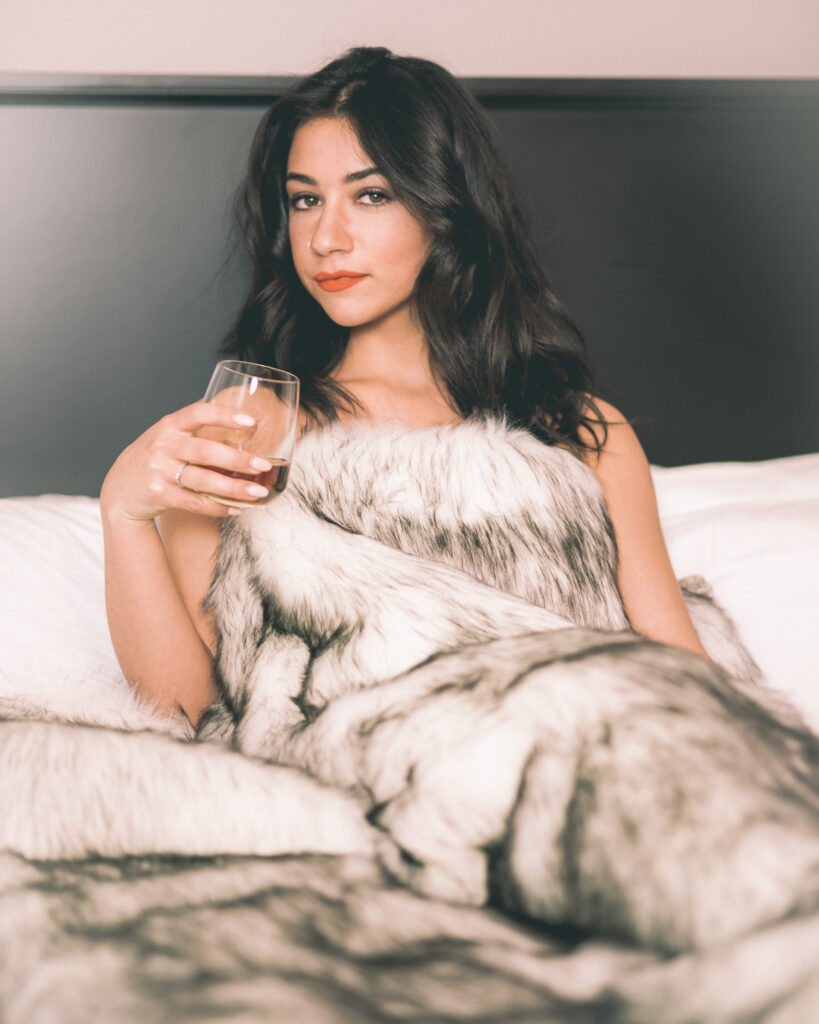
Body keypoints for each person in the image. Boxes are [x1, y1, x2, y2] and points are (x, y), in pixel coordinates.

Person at [100, 47, 710, 728]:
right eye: (305, 200)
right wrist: (123, 516)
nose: (326, 237)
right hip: (373, 795)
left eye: (371, 194)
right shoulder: (248, 431)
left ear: (445, 207)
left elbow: (681, 674)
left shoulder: (580, 430)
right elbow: (189, 709)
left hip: (582, 775)